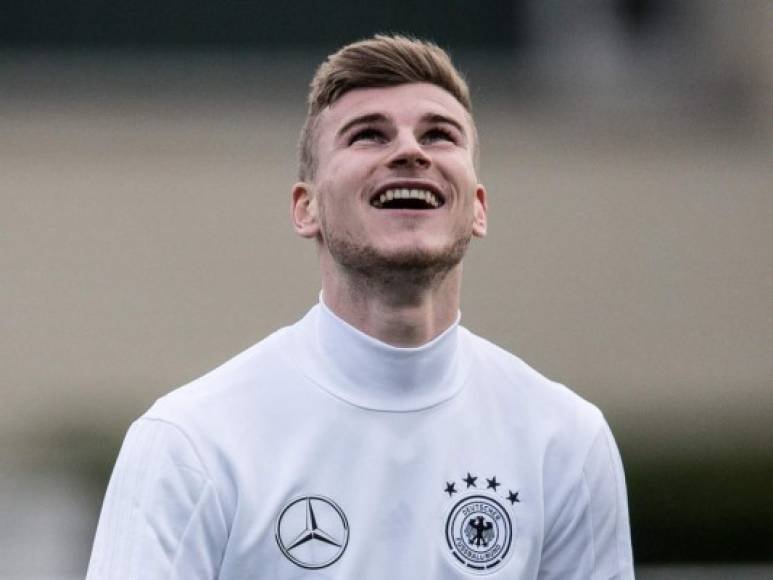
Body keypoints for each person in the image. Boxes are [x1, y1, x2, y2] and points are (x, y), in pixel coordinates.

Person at [86, 34, 634, 579]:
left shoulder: (564, 441)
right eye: (369, 135)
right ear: (307, 209)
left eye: (439, 135)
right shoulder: (191, 442)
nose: (410, 151)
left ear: (478, 209)